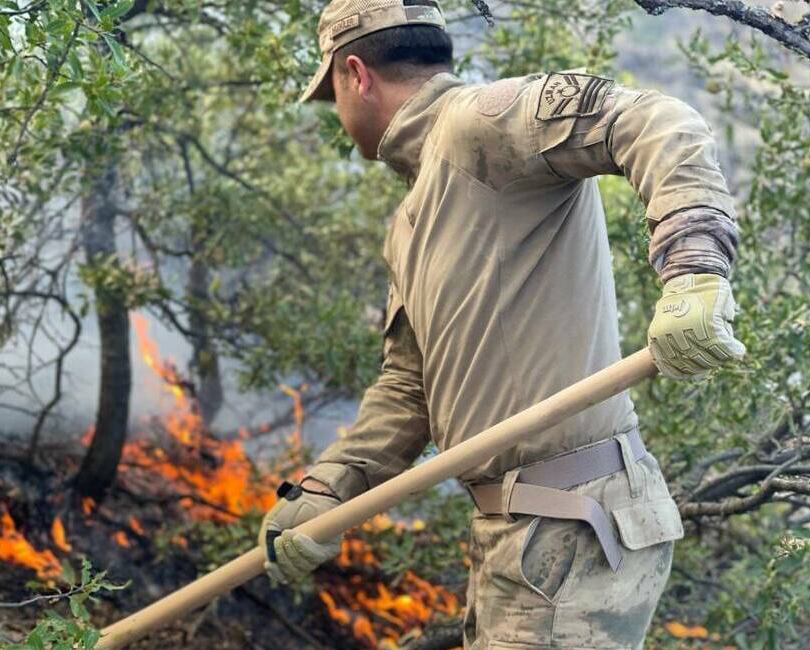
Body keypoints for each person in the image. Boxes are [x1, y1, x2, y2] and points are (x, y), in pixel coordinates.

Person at [259, 1, 745, 647]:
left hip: (575, 525)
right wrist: (330, 486)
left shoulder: (477, 124)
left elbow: (656, 119)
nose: (339, 113)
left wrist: (693, 270)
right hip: (519, 534)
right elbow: (411, 384)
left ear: (356, 74)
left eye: (333, 96)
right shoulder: (414, 223)